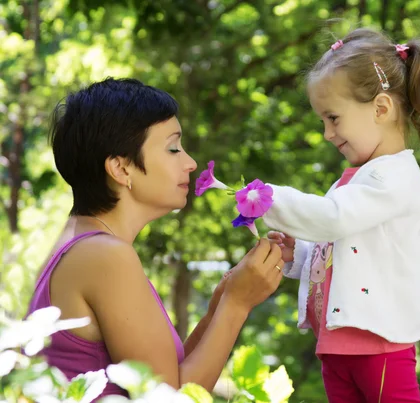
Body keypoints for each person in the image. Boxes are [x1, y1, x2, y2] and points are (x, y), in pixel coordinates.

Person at [26, 78, 284, 400]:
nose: (190, 162)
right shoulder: (104, 256)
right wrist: (237, 304)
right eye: (173, 148)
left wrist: (220, 305)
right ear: (121, 168)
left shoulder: (83, 243)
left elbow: (170, 377)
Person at [264, 28, 420, 402]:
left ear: (381, 109)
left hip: (378, 345)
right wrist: (298, 255)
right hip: (337, 345)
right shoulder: (353, 180)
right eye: (323, 121)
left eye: (333, 118)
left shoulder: (395, 175)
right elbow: (340, 249)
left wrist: (268, 199)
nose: (327, 133)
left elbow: (334, 219)